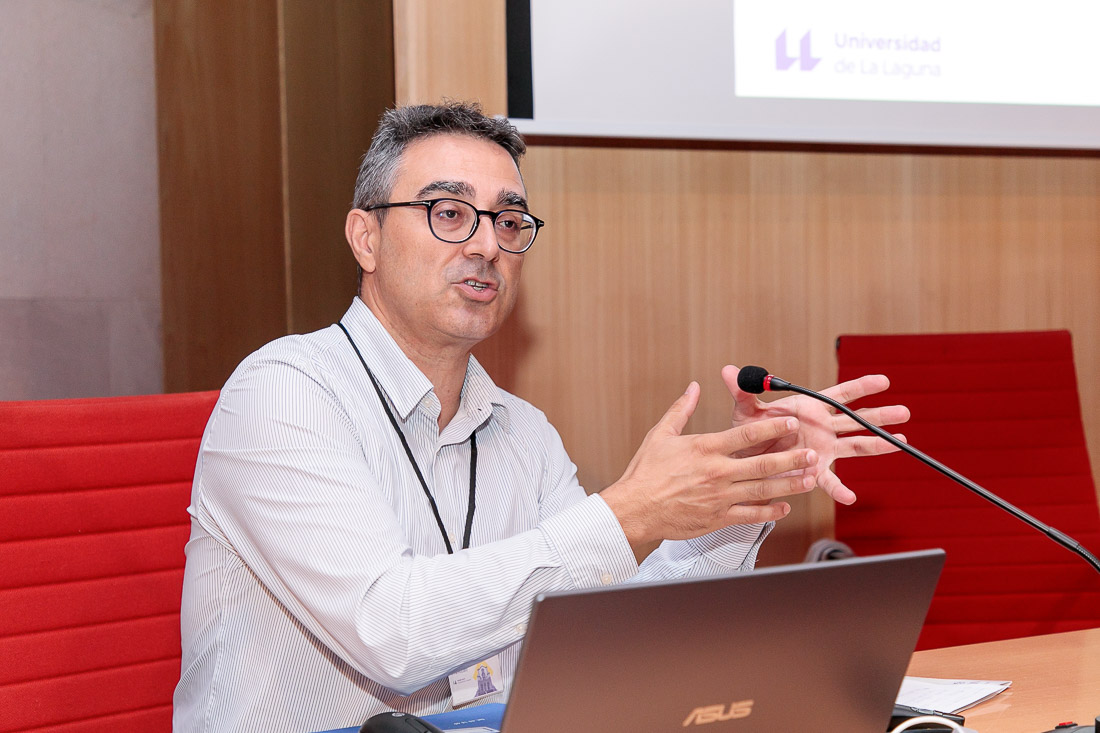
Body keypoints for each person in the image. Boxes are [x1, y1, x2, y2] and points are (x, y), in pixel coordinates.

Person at [173, 102, 908, 732]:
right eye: (449, 213)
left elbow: (618, 635)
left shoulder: (521, 431)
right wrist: (628, 513)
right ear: (366, 237)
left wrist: (739, 485)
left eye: (509, 220)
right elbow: (390, 632)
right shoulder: (284, 394)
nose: (487, 245)